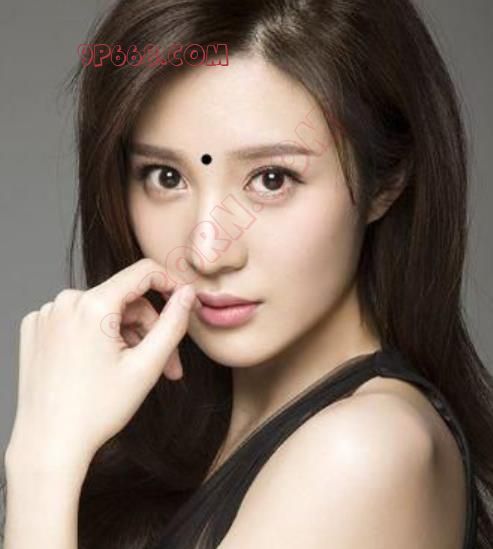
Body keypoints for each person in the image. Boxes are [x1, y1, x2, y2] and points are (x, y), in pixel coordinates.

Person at [2, 0, 493, 548]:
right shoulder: (194, 436)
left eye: (271, 179)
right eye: (165, 177)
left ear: (386, 179)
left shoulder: (363, 452)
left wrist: (42, 465)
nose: (208, 252)